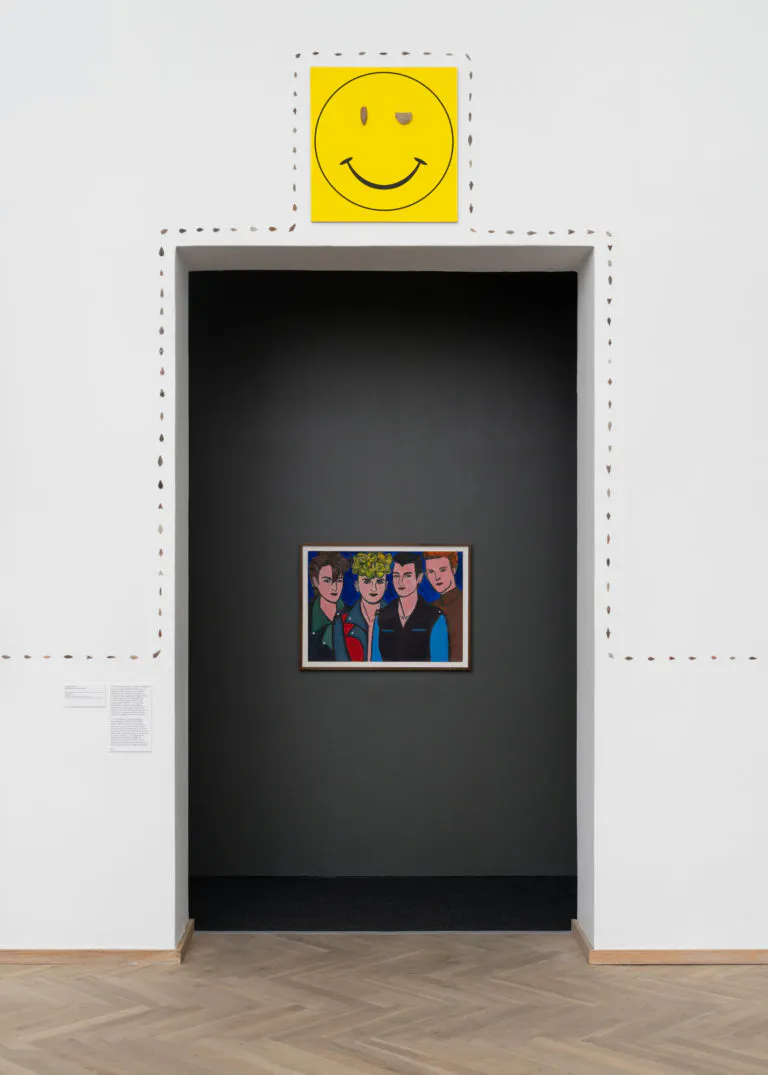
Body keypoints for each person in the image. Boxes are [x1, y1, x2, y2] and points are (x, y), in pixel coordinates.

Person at [372, 552, 449, 662]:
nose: (400, 582)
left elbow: (440, 663)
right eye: (396, 576)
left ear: (419, 578)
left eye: (407, 575)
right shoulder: (381, 616)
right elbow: (376, 662)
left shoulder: (434, 617)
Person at [333, 551, 393, 661]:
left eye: (379, 581)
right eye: (367, 581)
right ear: (357, 585)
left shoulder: (395, 617)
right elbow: (341, 662)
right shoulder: (341, 621)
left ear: (386, 585)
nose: (373, 588)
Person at [307, 551, 348, 661]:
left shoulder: (351, 614)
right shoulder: (306, 615)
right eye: (327, 580)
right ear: (315, 581)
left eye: (339, 580)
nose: (334, 587)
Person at [425, 550, 463, 662]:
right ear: (426, 575)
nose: (437, 577)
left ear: (453, 570)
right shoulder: (429, 608)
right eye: (431, 572)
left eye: (442, 570)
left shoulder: (465, 604)